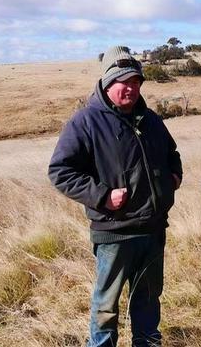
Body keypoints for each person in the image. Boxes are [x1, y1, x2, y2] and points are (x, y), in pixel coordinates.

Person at [48, 46, 183, 347]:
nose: (131, 88)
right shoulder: (86, 121)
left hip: (152, 229)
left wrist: (174, 176)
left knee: (148, 300)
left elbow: (171, 154)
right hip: (114, 232)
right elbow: (60, 170)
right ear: (108, 83)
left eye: (136, 81)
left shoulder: (150, 120)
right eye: (124, 81)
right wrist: (103, 196)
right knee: (106, 305)